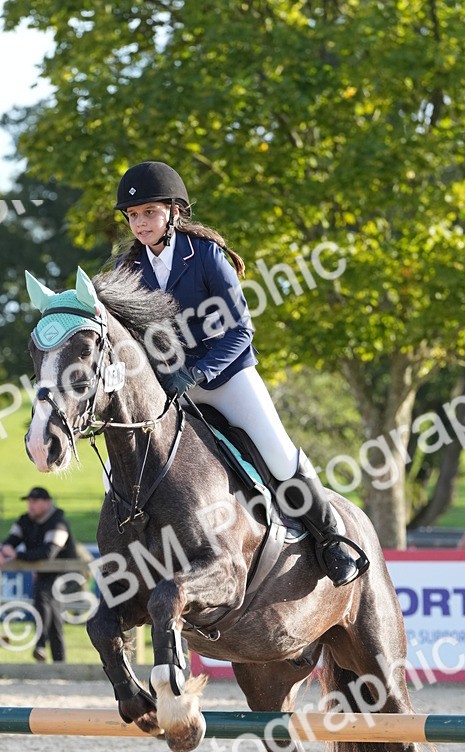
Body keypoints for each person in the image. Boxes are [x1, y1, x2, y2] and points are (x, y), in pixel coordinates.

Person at [112, 160, 366, 587]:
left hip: (226, 377)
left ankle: (330, 540)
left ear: (174, 212)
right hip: (172, 389)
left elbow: (240, 330)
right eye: (134, 215)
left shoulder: (206, 256)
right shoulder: (130, 269)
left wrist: (195, 373)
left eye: (149, 212)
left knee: (279, 454)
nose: (140, 223)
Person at [0, 487, 78, 662]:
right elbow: (11, 541)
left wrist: (17, 555)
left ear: (47, 503)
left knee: (43, 596)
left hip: (67, 575)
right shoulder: (25, 520)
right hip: (45, 574)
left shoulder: (58, 522)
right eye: (29, 501)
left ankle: (40, 644)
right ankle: (59, 663)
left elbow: (48, 553)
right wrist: (2, 551)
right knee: (53, 618)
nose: (31, 505)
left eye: (35, 501)